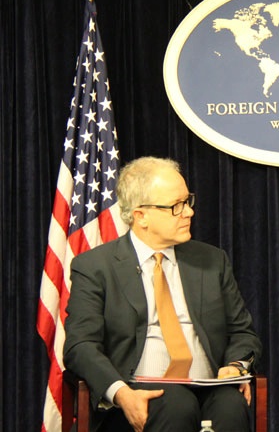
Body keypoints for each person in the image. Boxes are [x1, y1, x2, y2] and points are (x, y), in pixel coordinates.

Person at [64, 156, 262, 432]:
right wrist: (122, 393)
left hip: (206, 387)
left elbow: (243, 333)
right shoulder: (95, 267)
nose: (189, 213)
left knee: (231, 405)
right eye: (175, 206)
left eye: (187, 202)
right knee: (176, 403)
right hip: (135, 393)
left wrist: (236, 366)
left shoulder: (211, 261)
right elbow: (79, 346)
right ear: (140, 216)